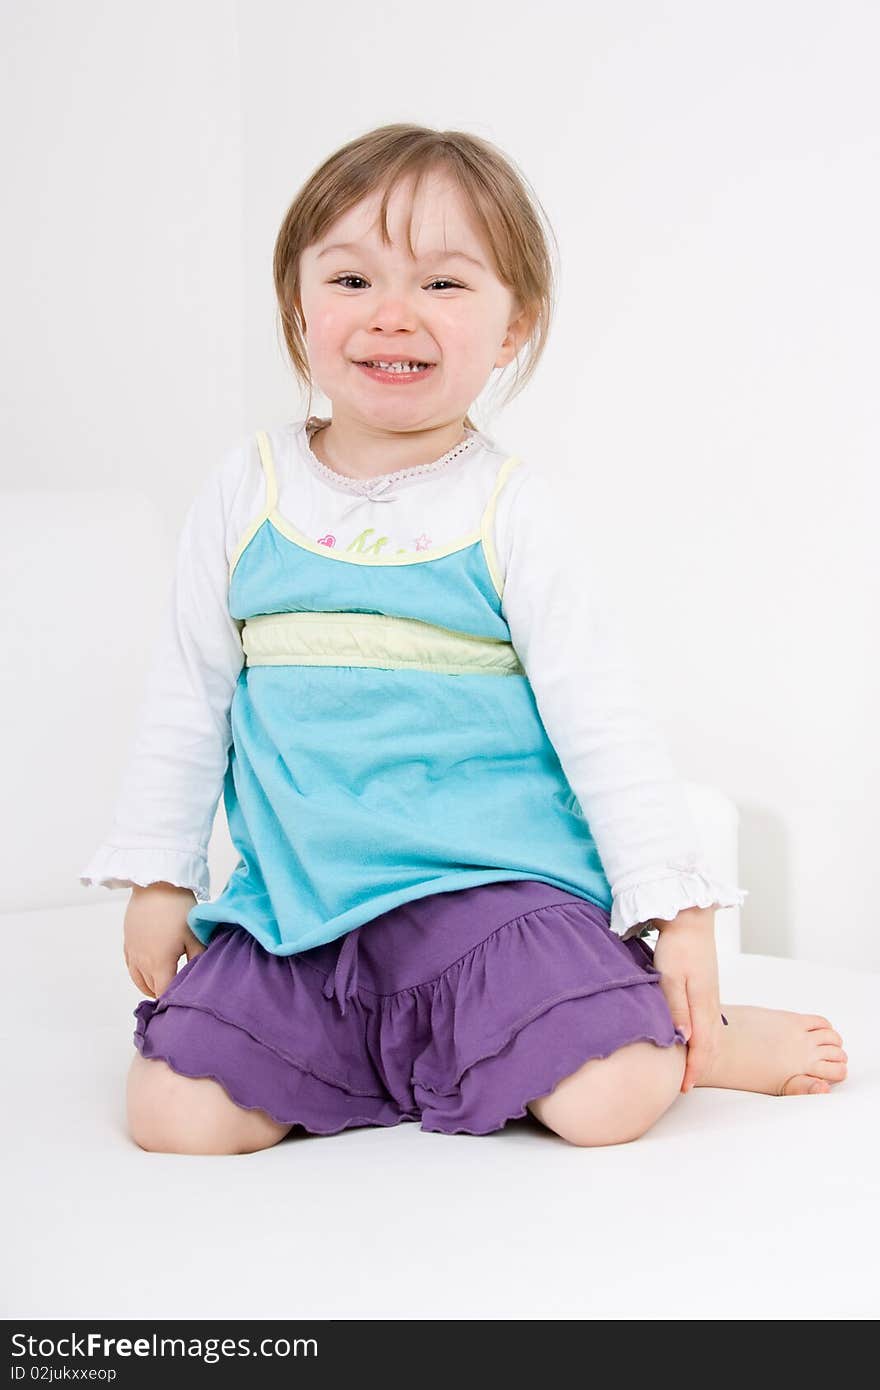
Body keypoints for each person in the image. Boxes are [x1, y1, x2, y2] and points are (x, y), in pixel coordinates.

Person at [80, 124, 847, 1154]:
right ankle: (397, 1049)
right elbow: (188, 693)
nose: (390, 315)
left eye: (443, 285)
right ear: (297, 305)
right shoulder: (246, 493)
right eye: (350, 278)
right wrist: (162, 876)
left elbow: (599, 715)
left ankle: (692, 1038)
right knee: (173, 1117)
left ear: (513, 323)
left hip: (492, 901)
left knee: (603, 1106)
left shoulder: (508, 510)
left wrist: (678, 907)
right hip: (305, 912)